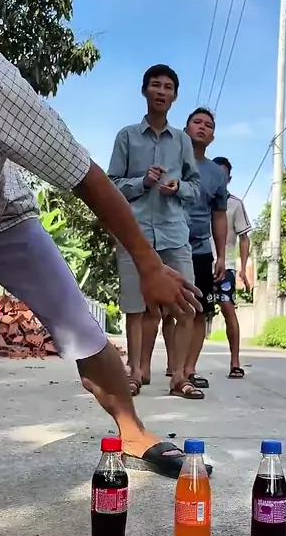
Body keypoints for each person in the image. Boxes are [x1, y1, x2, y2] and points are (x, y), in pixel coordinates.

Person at [0, 0, 208, 482]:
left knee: (80, 328)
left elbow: (87, 178)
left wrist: (148, 265)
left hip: (0, 220)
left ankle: (132, 429)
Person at [108, 65, 202, 400]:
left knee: (186, 305)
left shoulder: (182, 140)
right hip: (135, 235)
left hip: (174, 233)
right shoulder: (127, 136)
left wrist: (178, 187)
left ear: (174, 96)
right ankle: (134, 374)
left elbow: (195, 186)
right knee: (136, 307)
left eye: (167, 87)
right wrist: (142, 182)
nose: (161, 92)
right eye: (155, 85)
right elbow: (111, 186)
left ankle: (179, 378)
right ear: (144, 91)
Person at [183, 108, 228, 392]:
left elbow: (219, 216)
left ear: (212, 136)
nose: (202, 127)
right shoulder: (173, 161)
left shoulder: (216, 174)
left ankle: (188, 369)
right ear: (186, 128)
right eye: (197, 122)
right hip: (168, 245)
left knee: (199, 311)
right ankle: (147, 369)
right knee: (163, 310)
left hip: (200, 250)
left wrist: (221, 255)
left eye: (208, 125)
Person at [212, 156, 252, 378]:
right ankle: (183, 368)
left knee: (227, 308)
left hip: (225, 265)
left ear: (229, 179)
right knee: (193, 312)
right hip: (200, 261)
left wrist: (242, 269)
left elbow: (244, 238)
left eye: (223, 176)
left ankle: (235, 362)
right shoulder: (199, 200)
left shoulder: (235, 204)